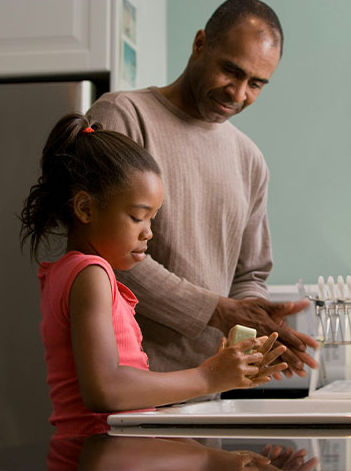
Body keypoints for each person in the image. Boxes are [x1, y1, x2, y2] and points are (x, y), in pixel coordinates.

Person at [85, 0, 318, 377]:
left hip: (211, 387)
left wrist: (255, 323)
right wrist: (217, 310)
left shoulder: (249, 159)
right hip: (128, 383)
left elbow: (250, 275)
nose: (239, 93)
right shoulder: (122, 116)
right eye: (231, 71)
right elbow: (104, 251)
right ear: (199, 45)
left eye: (256, 83)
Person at [19, 113, 288, 437]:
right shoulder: (91, 274)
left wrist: (219, 372)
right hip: (99, 456)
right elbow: (106, 389)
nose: (149, 233)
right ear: (85, 209)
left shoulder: (72, 272)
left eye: (153, 219)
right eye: (137, 217)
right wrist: (208, 377)